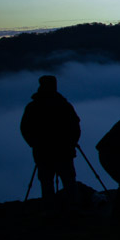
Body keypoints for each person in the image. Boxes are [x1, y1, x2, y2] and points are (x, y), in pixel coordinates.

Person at [20, 75, 81, 215]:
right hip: (63, 151)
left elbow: (25, 128)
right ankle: (73, 208)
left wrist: (35, 144)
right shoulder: (64, 105)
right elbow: (75, 126)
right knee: (69, 179)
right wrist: (72, 142)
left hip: (43, 151)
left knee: (46, 181)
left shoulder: (33, 106)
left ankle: (49, 209)